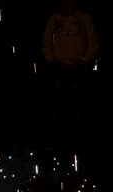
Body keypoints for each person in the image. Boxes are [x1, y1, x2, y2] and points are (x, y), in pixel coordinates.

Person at [42, 0, 98, 151]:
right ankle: (59, 140)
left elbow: (93, 43)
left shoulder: (84, 19)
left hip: (79, 67)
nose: (67, 5)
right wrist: (52, 61)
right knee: (59, 104)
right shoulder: (54, 20)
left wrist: (83, 60)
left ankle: (82, 138)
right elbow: (46, 42)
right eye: (64, 2)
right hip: (59, 67)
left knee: (80, 102)